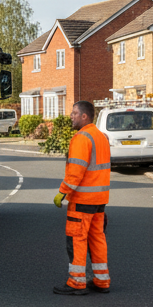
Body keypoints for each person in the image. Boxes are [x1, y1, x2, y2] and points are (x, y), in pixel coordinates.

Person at [52, 100, 111, 295]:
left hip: (82, 200)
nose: (71, 116)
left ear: (84, 116)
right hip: (100, 200)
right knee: (97, 239)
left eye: (74, 113)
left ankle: (77, 282)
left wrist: (62, 192)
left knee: (77, 239)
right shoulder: (101, 137)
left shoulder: (81, 138)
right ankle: (102, 280)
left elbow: (76, 171)